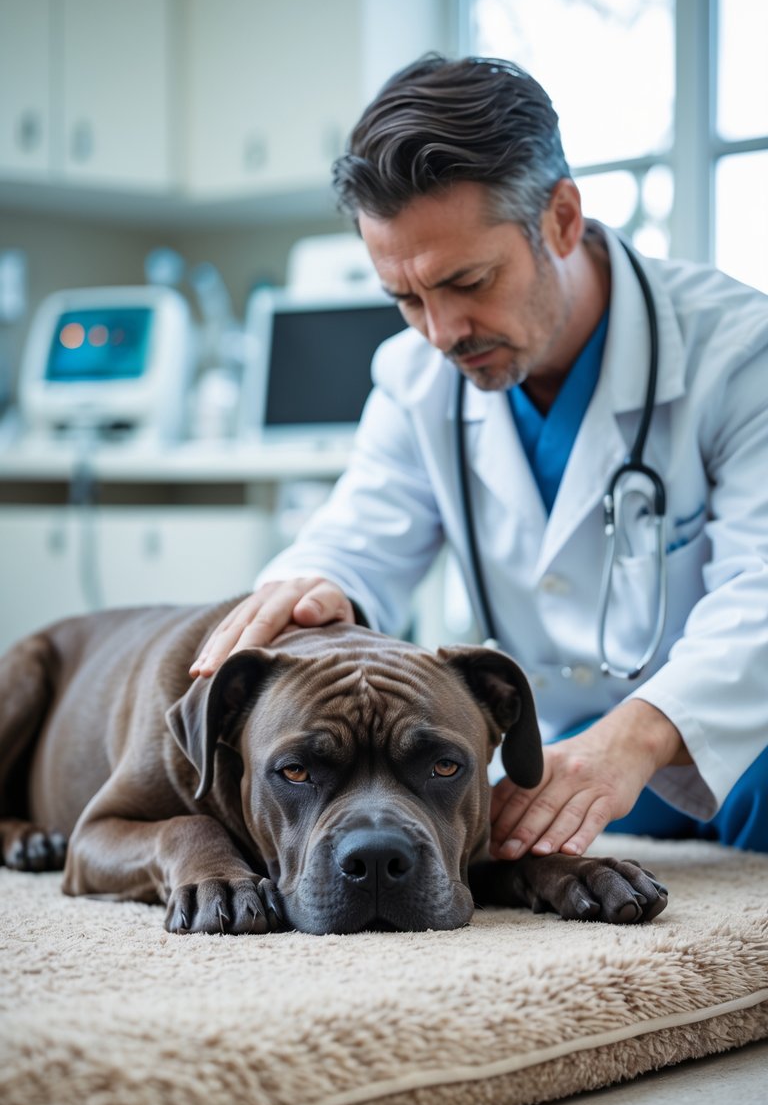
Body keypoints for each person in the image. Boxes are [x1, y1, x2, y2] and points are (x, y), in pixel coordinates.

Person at [190, 54, 768, 858]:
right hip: (560, 754)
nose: (440, 330)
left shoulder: (739, 353)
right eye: (407, 296)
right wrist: (316, 585)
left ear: (562, 218)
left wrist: (634, 740)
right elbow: (356, 540)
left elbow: (761, 596)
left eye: (469, 280)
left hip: (739, 741)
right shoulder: (416, 376)